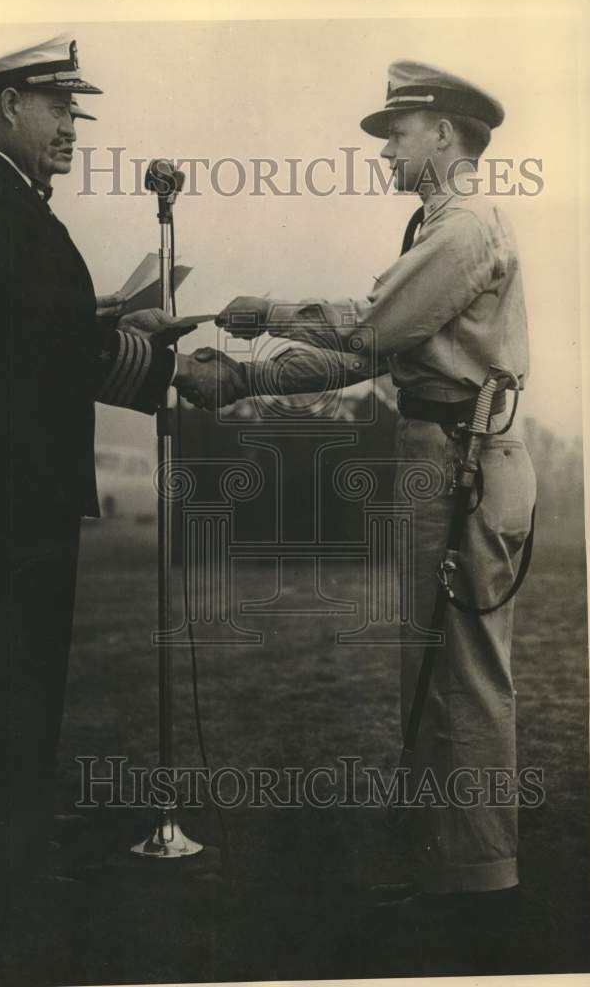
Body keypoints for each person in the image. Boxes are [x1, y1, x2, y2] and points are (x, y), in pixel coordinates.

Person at [200, 61, 536, 909]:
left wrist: (265, 316)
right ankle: (446, 860)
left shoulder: (463, 230)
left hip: (463, 459)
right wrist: (241, 379)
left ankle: (478, 876)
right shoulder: (436, 226)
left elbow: (368, 326)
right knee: (429, 661)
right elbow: (372, 352)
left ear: (447, 135)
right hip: (442, 453)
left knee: (460, 669)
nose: (385, 149)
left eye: (398, 131)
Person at [0, 32, 227, 901]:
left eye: (76, 114)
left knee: (8, 663)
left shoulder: (0, 194)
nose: (72, 131)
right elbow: (34, 346)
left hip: (7, 473)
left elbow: (29, 322)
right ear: (10, 103)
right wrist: (147, 354)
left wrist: (104, 320)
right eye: (59, 109)